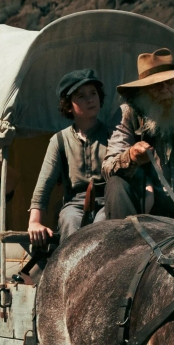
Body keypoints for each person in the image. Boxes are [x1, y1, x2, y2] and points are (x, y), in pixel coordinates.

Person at [100, 48, 174, 222]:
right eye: (156, 86)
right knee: (116, 184)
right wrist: (131, 156)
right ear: (143, 91)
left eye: (170, 83)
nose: (165, 90)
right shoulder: (128, 114)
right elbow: (107, 167)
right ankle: (127, 242)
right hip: (147, 207)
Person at [28, 69, 111, 255]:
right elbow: (44, 185)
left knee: (103, 225)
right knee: (70, 220)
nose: (90, 99)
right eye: (81, 96)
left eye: (93, 93)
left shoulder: (112, 135)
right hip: (75, 203)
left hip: (107, 200)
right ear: (68, 106)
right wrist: (34, 221)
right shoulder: (60, 140)